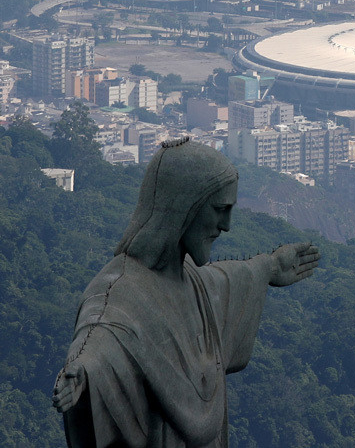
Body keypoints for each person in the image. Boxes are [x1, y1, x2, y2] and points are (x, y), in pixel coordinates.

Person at [52, 137, 320, 447]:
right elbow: (101, 333)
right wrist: (83, 373)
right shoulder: (120, 290)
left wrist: (269, 267)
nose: (227, 225)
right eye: (220, 209)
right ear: (183, 208)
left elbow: (222, 280)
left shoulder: (189, 280)